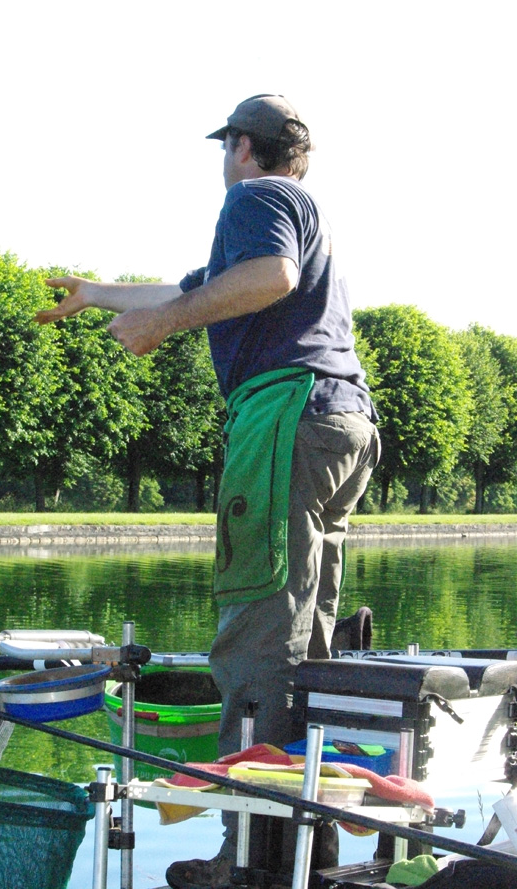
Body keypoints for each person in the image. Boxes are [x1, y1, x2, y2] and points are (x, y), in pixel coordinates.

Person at [35, 93, 380, 888]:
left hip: (286, 416)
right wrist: (97, 293)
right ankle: (303, 852)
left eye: (226, 147)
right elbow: (191, 288)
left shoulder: (256, 199)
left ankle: (250, 863)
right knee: (306, 638)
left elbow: (267, 277)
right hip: (340, 421)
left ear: (243, 148)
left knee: (256, 632)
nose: (224, 162)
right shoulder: (296, 205)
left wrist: (167, 327)